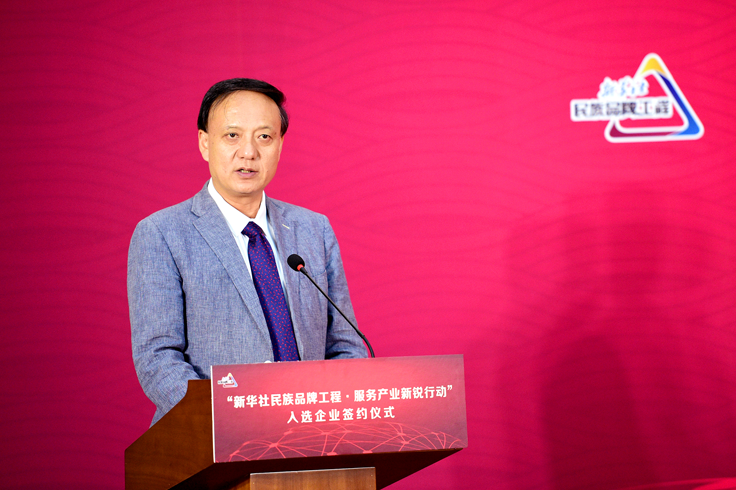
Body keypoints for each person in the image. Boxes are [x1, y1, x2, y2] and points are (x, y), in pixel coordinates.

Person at [128, 78, 367, 425]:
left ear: (280, 145)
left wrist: (329, 416)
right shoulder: (162, 234)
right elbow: (157, 358)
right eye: (232, 135)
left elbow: (347, 346)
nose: (249, 152)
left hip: (312, 436)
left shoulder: (314, 230)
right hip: (211, 439)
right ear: (204, 143)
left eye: (264, 137)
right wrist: (227, 420)